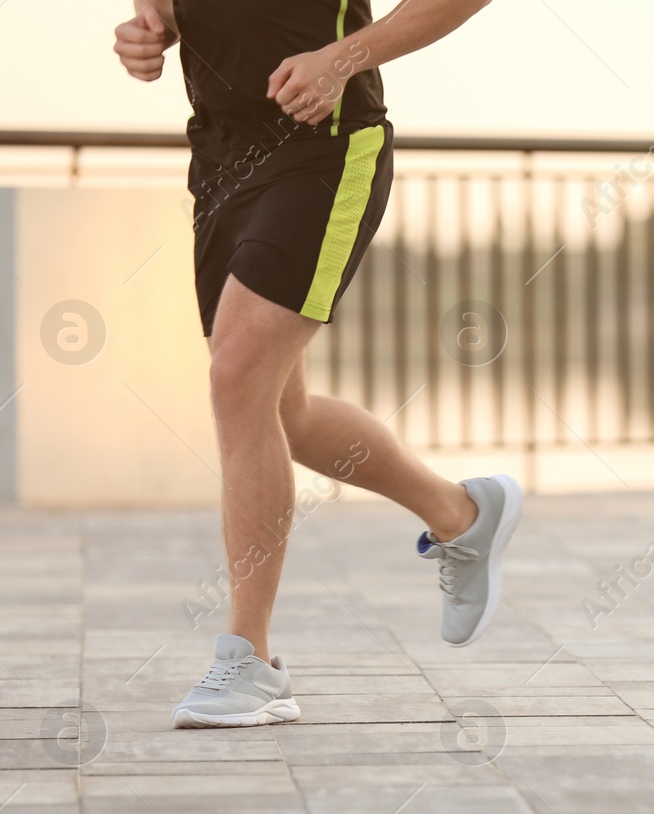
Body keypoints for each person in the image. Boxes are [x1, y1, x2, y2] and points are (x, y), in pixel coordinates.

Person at [113, 0, 520, 729]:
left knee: (236, 373)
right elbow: (164, 12)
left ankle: (250, 662)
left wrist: (341, 59)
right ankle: (460, 513)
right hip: (220, 161)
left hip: (324, 148)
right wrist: (149, 34)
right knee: (281, 413)